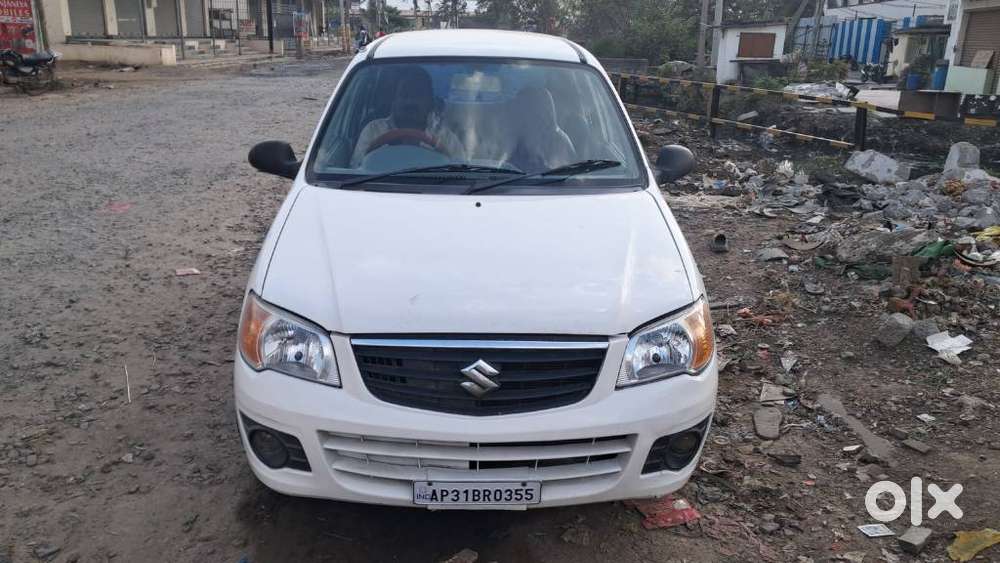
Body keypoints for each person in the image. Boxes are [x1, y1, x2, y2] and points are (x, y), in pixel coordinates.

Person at [350, 67, 465, 167]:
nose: (410, 101)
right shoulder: (373, 131)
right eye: (404, 94)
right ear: (394, 100)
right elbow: (357, 168)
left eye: (418, 95)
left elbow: (460, 172)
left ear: (430, 102)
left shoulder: (445, 138)